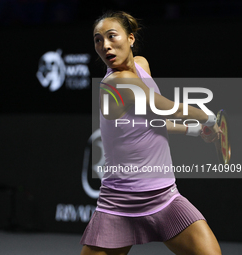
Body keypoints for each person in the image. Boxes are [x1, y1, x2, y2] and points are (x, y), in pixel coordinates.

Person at [80, 11, 222, 255]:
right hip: (120, 203)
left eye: (112, 36)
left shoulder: (142, 66)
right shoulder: (117, 82)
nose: (105, 46)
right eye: (98, 40)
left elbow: (150, 122)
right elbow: (168, 109)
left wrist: (195, 130)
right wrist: (209, 118)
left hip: (165, 197)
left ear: (131, 39)